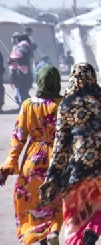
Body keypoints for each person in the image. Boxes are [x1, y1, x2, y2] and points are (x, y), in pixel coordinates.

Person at [40, 63, 101, 245]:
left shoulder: (67, 103)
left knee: (74, 218)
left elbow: (61, 144)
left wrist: (53, 175)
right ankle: (93, 229)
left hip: (77, 170)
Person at [0, 66, 63, 245]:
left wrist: (8, 165)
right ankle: (53, 231)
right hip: (58, 160)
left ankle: (40, 236)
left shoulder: (28, 105)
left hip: (33, 163)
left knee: (32, 202)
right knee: (57, 202)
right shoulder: (64, 105)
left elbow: (18, 137)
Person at [8, 33, 34, 106]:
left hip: (21, 72)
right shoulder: (24, 46)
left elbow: (19, 57)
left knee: (22, 91)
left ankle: (25, 107)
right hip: (23, 71)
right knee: (22, 91)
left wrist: (12, 60)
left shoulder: (22, 47)